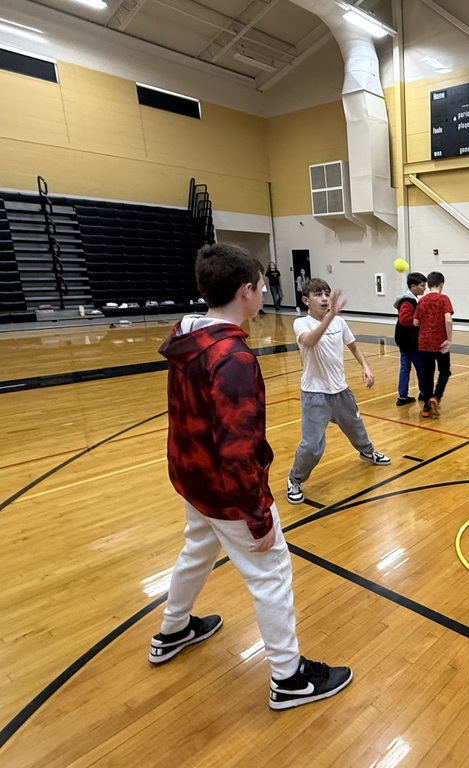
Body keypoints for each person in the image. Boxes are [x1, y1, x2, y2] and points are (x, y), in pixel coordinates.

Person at [152, 243, 351, 710]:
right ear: (247, 291)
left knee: (197, 550)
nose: (263, 293)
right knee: (271, 574)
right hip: (225, 491)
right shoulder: (233, 359)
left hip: (190, 478)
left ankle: (173, 629)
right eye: (261, 286)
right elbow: (237, 450)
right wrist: (258, 515)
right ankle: (289, 678)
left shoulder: (186, 331)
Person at [286, 277, 391, 506]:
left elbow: (352, 345)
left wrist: (365, 366)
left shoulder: (340, 323)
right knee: (312, 446)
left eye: (326, 294)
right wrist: (331, 315)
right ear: (306, 300)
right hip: (315, 394)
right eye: (318, 295)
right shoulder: (301, 324)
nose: (324, 299)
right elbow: (310, 342)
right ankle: (295, 479)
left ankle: (367, 452)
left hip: (341, 391)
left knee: (357, 429)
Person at [413, 271, 454, 418]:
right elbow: (448, 320)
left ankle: (426, 407)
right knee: (444, 371)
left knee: (427, 374)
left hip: (424, 343)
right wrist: (449, 339)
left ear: (428, 284)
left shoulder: (422, 301)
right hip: (440, 342)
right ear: (441, 285)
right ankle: (436, 397)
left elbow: (415, 322)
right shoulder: (444, 299)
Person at [394, 272, 427, 406]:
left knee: (405, 367)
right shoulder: (408, 301)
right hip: (409, 340)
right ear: (413, 286)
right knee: (421, 367)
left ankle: (403, 396)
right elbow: (404, 319)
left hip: (403, 339)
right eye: (422, 285)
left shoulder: (411, 299)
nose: (424, 288)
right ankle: (424, 392)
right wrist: (421, 321)